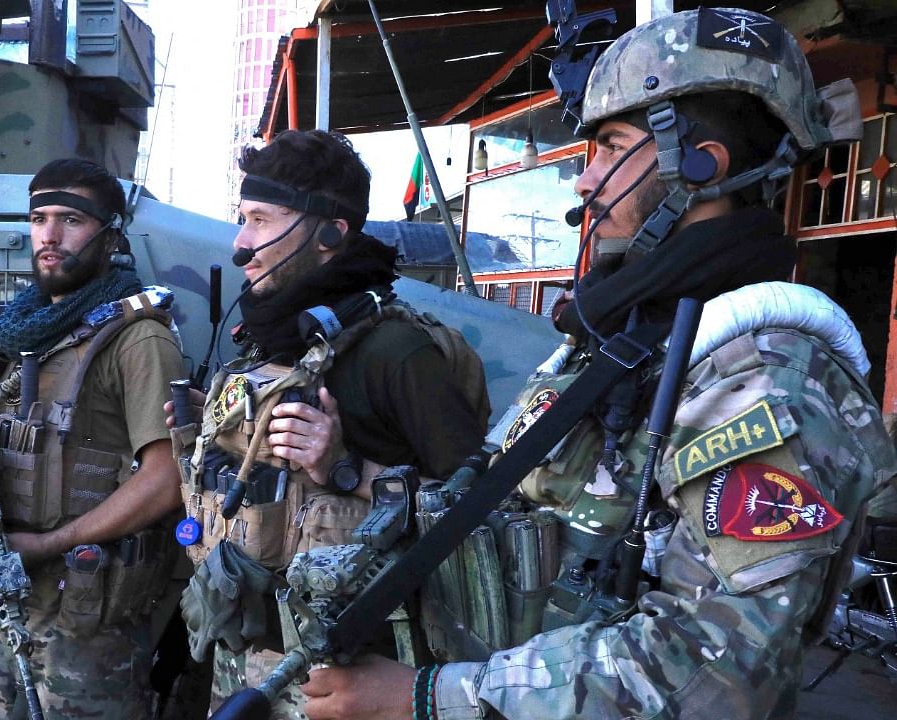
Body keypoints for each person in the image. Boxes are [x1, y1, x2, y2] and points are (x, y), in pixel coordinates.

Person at [299, 8, 897, 720]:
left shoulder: (760, 374)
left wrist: (428, 698)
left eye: (612, 146)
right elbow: (527, 520)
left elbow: (721, 667)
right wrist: (350, 472)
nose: (586, 183)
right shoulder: (634, 338)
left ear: (702, 161)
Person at [169, 129, 491, 719]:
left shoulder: (397, 352)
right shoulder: (269, 342)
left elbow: (483, 518)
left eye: (262, 220)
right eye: (243, 218)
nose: (242, 244)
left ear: (328, 234)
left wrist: (344, 467)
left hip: (347, 683)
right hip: (244, 662)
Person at [0, 158, 185, 719]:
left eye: (71, 220)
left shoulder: (138, 340)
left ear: (110, 234)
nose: (49, 235)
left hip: (83, 619)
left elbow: (166, 482)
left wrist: (45, 546)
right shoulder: (31, 328)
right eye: (40, 217)